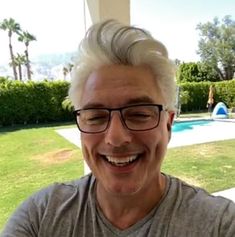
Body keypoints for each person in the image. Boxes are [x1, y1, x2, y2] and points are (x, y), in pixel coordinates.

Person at [1, 20, 235, 237]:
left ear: (168, 123)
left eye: (139, 114)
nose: (116, 138)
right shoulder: (40, 218)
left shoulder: (219, 224)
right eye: (95, 117)